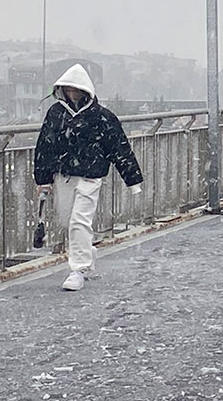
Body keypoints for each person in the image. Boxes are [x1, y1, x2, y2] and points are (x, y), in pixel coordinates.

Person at [33, 63, 144, 292]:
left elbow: (119, 148)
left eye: (76, 90)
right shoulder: (56, 113)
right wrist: (42, 179)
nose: (72, 94)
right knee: (67, 220)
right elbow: (45, 145)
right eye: (69, 90)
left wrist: (132, 180)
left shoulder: (102, 117)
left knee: (78, 221)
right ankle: (87, 252)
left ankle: (79, 269)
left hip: (91, 176)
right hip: (63, 176)